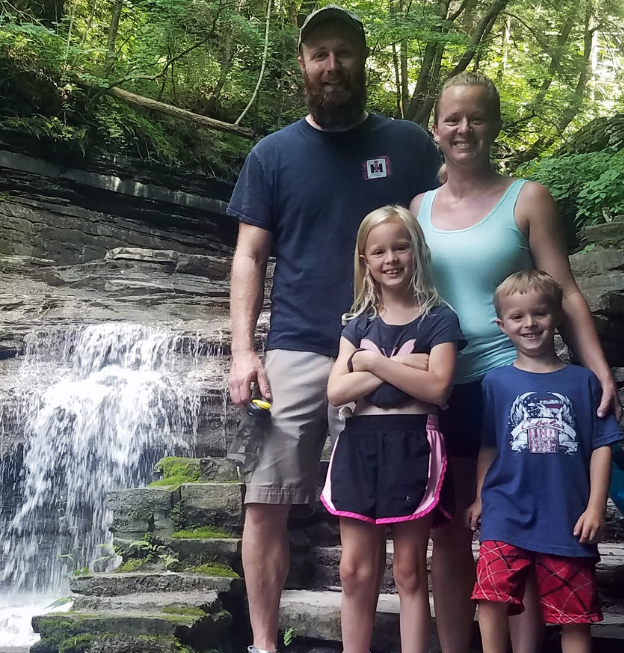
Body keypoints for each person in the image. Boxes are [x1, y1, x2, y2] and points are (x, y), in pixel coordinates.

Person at [227, 6, 441, 652]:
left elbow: (440, 235)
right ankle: (265, 644)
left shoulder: (408, 146)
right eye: (319, 53)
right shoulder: (272, 155)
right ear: (301, 65)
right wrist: (243, 349)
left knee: (411, 508)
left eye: (343, 52)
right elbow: (249, 255)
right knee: (265, 498)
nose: (331, 65)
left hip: (394, 347)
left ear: (363, 59)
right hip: (298, 346)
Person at [410, 71, 623, 653]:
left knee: (526, 529)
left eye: (477, 117)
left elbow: (567, 290)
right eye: (453, 118)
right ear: (436, 129)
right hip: (442, 381)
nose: (464, 128)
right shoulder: (419, 206)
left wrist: (598, 367)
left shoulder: (527, 198)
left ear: (495, 126)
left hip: (515, 381)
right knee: (450, 529)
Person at [324, 205, 463, 653]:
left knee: (408, 569)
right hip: (359, 445)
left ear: (416, 250)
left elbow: (438, 387)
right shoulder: (357, 323)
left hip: (414, 445)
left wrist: (372, 363)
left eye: (400, 247)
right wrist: (401, 366)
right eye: (379, 251)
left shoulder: (439, 318)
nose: (391, 259)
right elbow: (337, 392)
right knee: (353, 569)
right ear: (365, 261)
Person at [467, 270, 622, 653]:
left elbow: (602, 445)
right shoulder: (495, 383)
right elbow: (489, 444)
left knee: (573, 614)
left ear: (556, 316)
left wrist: (595, 507)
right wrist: (480, 497)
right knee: (490, 594)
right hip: (506, 509)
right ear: (501, 325)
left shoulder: (584, 382)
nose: (529, 324)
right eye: (517, 317)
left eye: (539, 313)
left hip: (566, 516)